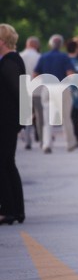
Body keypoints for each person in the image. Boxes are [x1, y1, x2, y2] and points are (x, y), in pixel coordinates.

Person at [0, 24, 26, 225]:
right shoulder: (12, 60)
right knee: (8, 163)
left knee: (4, 163)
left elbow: (20, 93)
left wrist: (21, 121)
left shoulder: (9, 63)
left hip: (7, 121)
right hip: (10, 120)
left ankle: (9, 210)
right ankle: (16, 210)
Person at [33, 34, 77, 153]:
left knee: (47, 119)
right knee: (66, 117)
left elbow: (35, 74)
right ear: (61, 45)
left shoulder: (43, 57)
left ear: (50, 44)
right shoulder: (64, 57)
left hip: (47, 88)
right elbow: (70, 74)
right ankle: (70, 143)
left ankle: (47, 144)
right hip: (62, 87)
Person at [19, 36, 41, 150]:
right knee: (39, 115)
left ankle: (28, 141)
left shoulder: (20, 56)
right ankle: (42, 139)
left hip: (24, 88)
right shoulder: (39, 57)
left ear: (27, 44)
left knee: (26, 117)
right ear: (36, 45)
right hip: (38, 90)